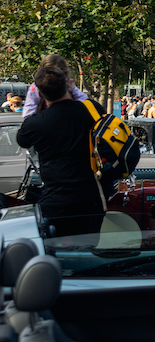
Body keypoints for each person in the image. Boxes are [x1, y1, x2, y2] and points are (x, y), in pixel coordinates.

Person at [15, 64, 107, 236]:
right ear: (67, 85)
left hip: (55, 203)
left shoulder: (35, 124)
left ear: (41, 94)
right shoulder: (90, 110)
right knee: (89, 256)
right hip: (90, 200)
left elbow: (22, 139)